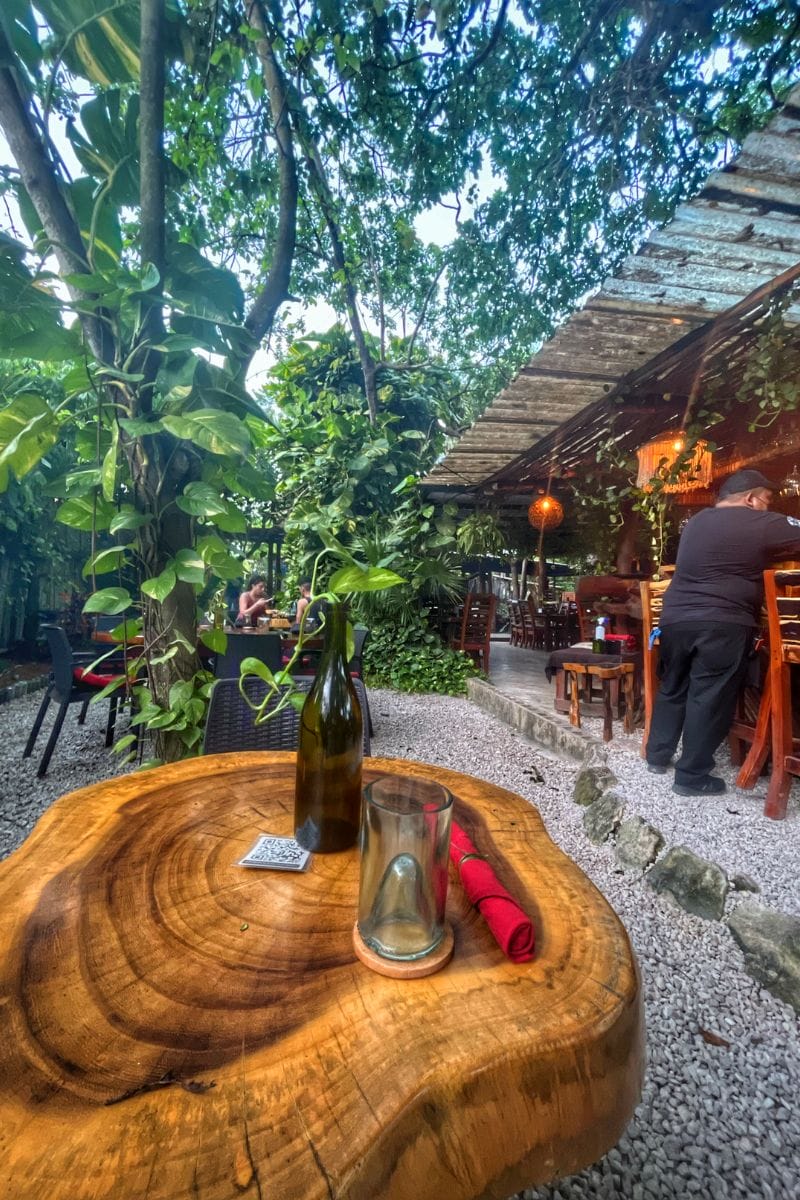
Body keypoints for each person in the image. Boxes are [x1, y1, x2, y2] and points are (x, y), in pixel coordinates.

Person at [646, 469, 800, 796]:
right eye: (767, 501)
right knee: (709, 696)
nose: (768, 508)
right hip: (723, 620)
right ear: (750, 499)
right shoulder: (760, 522)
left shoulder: (697, 521)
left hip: (674, 619)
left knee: (673, 685)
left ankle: (656, 756)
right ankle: (691, 777)